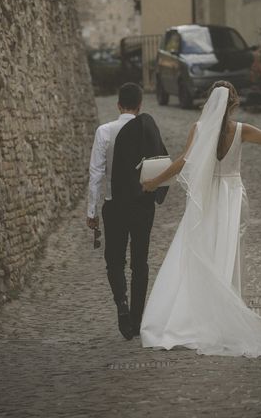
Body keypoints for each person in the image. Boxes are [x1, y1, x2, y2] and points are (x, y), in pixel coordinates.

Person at [140, 81, 261, 358]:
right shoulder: (240, 130)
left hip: (207, 197)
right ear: (234, 103)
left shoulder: (198, 129)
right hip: (231, 197)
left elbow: (183, 161)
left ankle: (195, 315)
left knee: (200, 250)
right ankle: (225, 314)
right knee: (230, 254)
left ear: (210, 101)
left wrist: (155, 182)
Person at [87, 82, 168, 340]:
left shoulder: (105, 131)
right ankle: (136, 317)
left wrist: (92, 211)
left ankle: (121, 307)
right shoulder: (148, 130)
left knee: (114, 261)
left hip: (115, 205)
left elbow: (96, 174)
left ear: (118, 104)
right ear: (140, 105)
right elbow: (159, 165)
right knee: (140, 263)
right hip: (142, 206)